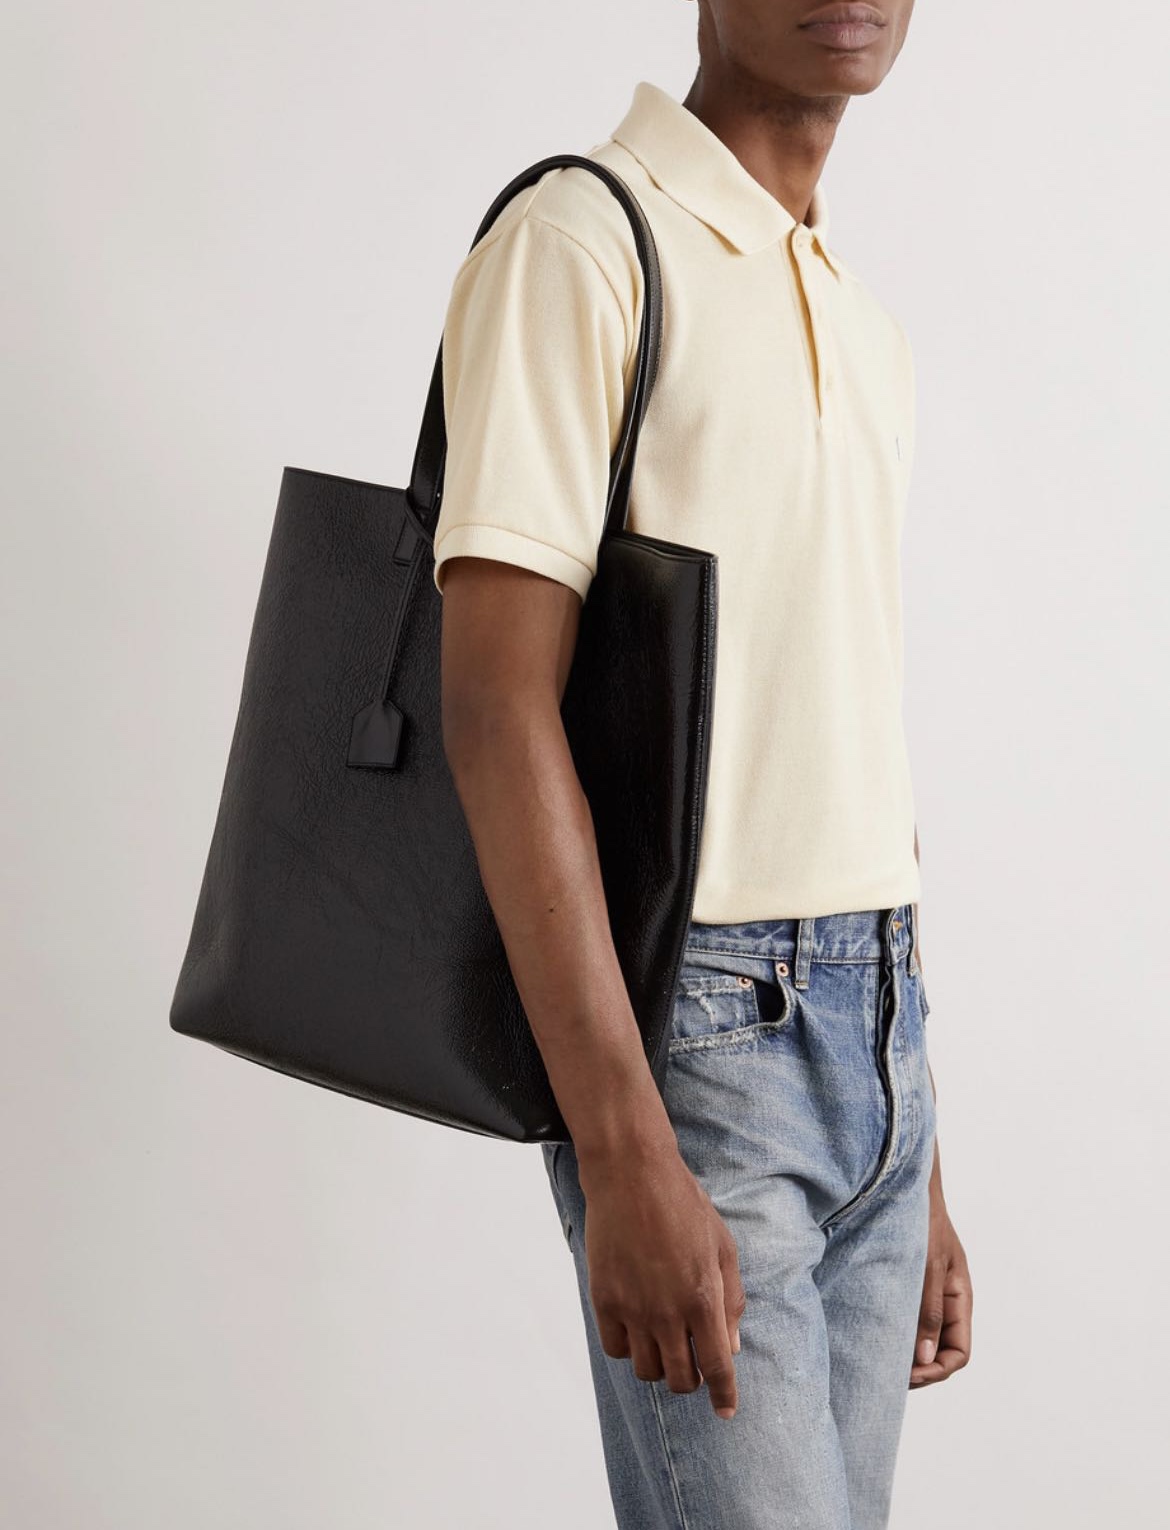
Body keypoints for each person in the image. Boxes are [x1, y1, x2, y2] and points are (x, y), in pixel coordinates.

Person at [432, 3, 972, 1524]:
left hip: (879, 1032)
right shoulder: (582, 241)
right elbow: (494, 706)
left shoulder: (863, 321)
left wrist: (916, 1150)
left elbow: (840, 724)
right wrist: (621, 1149)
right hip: (702, 1042)